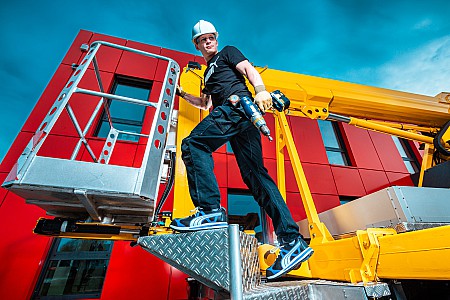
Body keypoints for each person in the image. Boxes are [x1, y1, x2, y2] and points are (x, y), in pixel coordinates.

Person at [170, 20, 313, 279]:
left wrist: (261, 91)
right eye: (203, 39)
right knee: (255, 177)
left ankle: (210, 211)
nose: (208, 41)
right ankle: (293, 241)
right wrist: (181, 93)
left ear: (216, 38)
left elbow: (248, 69)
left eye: (211, 37)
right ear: (197, 45)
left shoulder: (228, 52)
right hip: (235, 116)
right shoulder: (207, 73)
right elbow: (204, 103)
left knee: (193, 144)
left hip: (239, 106)